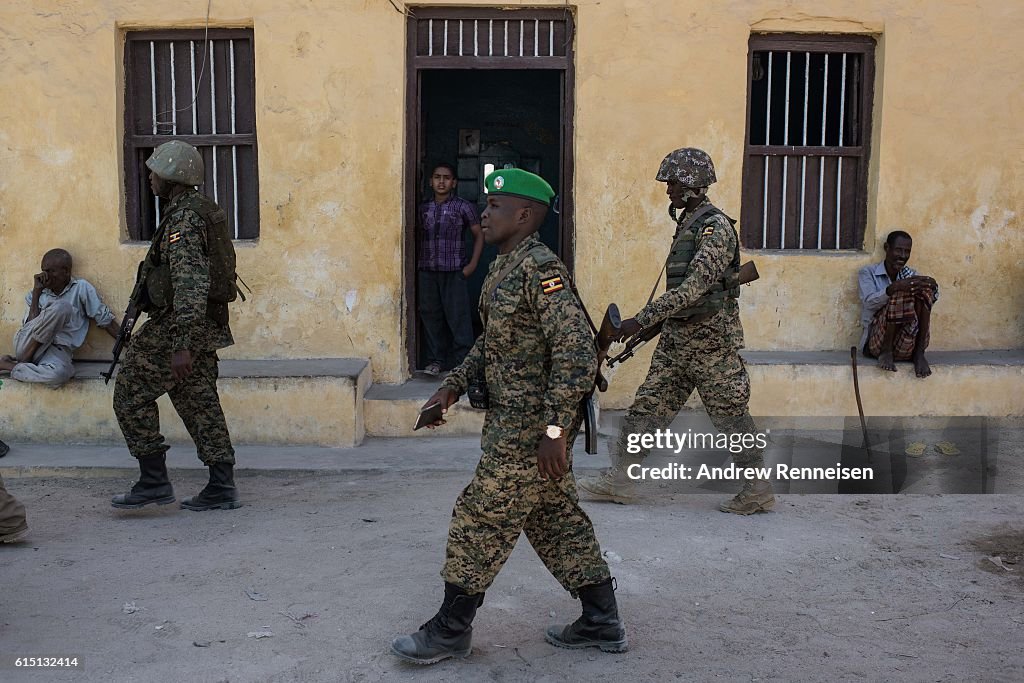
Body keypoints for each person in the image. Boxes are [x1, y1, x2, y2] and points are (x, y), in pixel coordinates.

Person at [391, 169, 627, 664]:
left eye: (495, 207)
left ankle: (451, 629)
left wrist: (554, 432)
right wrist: (451, 387)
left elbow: (578, 354)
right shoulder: (505, 267)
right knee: (556, 520)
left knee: (479, 518)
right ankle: (601, 619)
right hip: (517, 426)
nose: (483, 213)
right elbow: (492, 342)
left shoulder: (542, 270)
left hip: (529, 432)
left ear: (524, 215)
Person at [577, 148, 774, 515]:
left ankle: (756, 489)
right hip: (678, 340)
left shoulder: (715, 229)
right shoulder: (689, 223)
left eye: (672, 182)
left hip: (712, 342)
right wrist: (653, 328)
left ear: (691, 184)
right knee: (647, 408)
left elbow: (692, 290)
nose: (667, 189)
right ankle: (621, 479)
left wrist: (643, 318)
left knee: (731, 416)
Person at [111, 140, 241, 512]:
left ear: (172, 175)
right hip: (201, 325)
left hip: (180, 326)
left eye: (154, 172)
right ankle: (221, 485)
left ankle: (153, 481)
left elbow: (190, 280)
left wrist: (181, 343)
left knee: (130, 392)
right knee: (199, 402)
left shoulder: (184, 219)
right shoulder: (192, 210)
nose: (149, 178)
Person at [0, 249, 120, 387]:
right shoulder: (37, 293)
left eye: (51, 271)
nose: (46, 275)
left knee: (61, 374)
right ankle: (25, 360)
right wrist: (37, 293)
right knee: (62, 307)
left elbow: (105, 320)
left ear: (66, 271)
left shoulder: (81, 288)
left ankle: (8, 365)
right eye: (44, 270)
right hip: (27, 343)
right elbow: (29, 325)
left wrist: (130, 345)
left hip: (57, 349)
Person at [417, 162, 483, 376]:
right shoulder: (423, 208)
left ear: (454, 182)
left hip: (455, 271)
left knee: (458, 317)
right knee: (430, 315)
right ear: (431, 181)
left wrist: (472, 265)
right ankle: (436, 361)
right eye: (437, 177)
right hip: (428, 270)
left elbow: (479, 235)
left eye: (446, 178)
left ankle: (463, 365)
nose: (442, 181)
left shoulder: (463, 207)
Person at [858, 230, 938, 378]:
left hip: (907, 343)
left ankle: (920, 353)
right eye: (898, 250)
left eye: (907, 251)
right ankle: (886, 351)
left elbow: (927, 300)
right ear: (886, 248)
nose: (903, 256)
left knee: (921, 289)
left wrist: (932, 288)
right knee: (901, 290)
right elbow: (868, 304)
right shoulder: (867, 273)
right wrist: (892, 289)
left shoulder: (910, 274)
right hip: (878, 344)